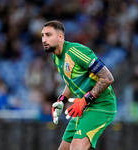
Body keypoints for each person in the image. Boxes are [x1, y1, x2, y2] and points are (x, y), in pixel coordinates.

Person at [41, 20, 117, 150]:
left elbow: (108, 77)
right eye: (42, 35)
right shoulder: (56, 57)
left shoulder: (76, 52)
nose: (44, 39)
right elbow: (70, 82)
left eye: (48, 35)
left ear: (60, 37)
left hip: (102, 105)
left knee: (76, 147)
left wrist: (86, 100)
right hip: (84, 107)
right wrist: (62, 99)